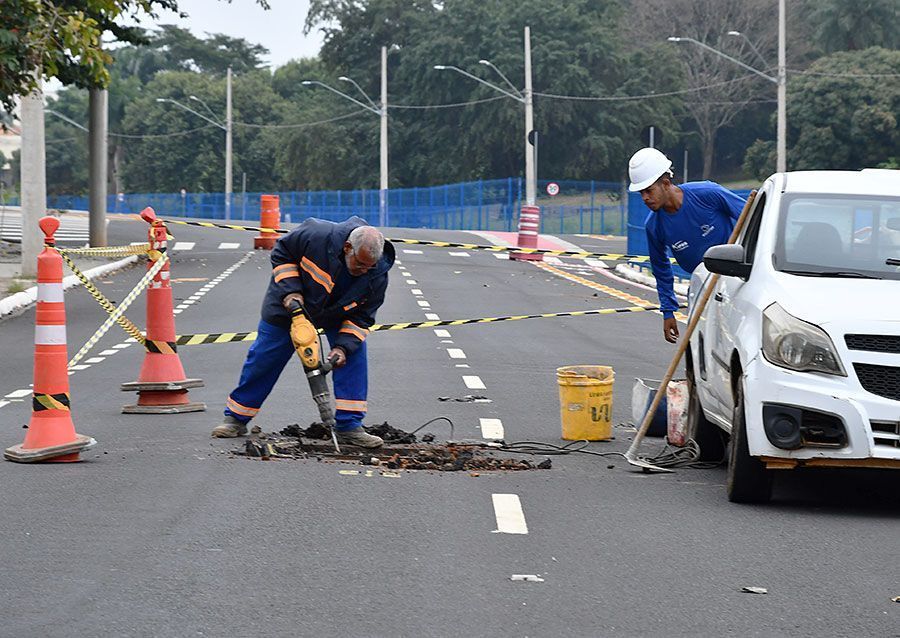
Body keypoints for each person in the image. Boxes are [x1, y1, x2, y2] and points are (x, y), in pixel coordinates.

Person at [212, 216, 395, 447]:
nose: (363, 271)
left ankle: (349, 427)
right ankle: (236, 418)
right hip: (290, 305)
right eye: (359, 264)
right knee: (265, 356)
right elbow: (282, 253)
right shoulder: (315, 235)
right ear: (347, 247)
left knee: (353, 356)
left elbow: (362, 318)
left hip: (336, 312)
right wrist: (291, 292)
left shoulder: (377, 274)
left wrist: (342, 347)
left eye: (370, 267)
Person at [628, 147, 746, 343]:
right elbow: (661, 269)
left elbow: (748, 217)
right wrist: (668, 311)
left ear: (666, 184)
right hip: (701, 285)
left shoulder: (708, 194)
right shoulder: (654, 226)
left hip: (736, 279)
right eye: (641, 193)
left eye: (649, 191)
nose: (645, 198)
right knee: (702, 344)